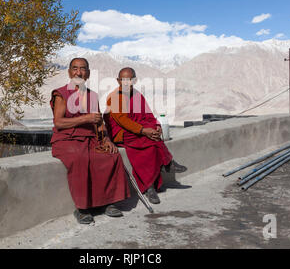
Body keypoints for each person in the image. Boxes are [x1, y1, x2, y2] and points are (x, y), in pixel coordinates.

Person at [50, 58, 130, 224]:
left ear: (88, 73)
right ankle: (82, 208)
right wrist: (85, 118)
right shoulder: (61, 94)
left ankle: (108, 202)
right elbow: (59, 122)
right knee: (80, 159)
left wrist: (106, 138)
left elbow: (98, 121)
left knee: (112, 156)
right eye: (75, 68)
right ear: (69, 72)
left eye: (83, 69)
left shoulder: (92, 95)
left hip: (91, 138)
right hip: (67, 139)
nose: (79, 72)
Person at [105, 67, 187, 204]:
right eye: (123, 80)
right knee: (147, 137)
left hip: (137, 132)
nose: (126, 83)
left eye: (130, 80)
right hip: (120, 133)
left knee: (151, 141)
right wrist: (144, 131)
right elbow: (122, 121)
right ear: (118, 81)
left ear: (135, 80)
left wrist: (156, 126)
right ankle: (166, 163)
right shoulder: (115, 97)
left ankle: (150, 187)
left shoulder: (137, 96)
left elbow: (147, 115)